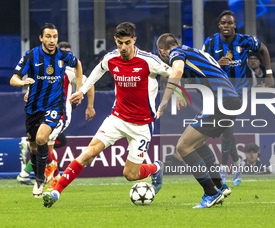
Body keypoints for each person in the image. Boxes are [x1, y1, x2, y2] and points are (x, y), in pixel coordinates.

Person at [42, 22, 171, 208]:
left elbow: (174, 72)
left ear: (134, 40)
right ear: (115, 41)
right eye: (120, 43)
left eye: (127, 43)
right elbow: (98, 70)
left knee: (130, 175)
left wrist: (177, 92)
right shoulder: (111, 58)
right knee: (88, 153)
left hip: (142, 125)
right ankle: (55, 192)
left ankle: (156, 168)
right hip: (117, 119)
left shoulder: (149, 61)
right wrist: (82, 91)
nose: (124, 48)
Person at [155, 33, 240, 209]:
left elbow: (177, 70)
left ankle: (211, 193)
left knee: (183, 147)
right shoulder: (194, 52)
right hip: (229, 101)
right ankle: (219, 186)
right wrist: (180, 90)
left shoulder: (175, 53)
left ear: (162, 51)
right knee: (196, 144)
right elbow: (199, 71)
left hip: (220, 102)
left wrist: (164, 102)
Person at [10, 23, 84, 198]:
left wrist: (79, 90)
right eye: (48, 37)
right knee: (34, 148)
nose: (52, 40)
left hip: (53, 107)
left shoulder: (63, 56)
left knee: (42, 138)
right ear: (41, 38)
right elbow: (14, 78)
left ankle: (39, 180)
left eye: (55, 37)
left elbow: (78, 65)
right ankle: (39, 174)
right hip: (33, 108)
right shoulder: (30, 56)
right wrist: (22, 83)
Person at [203, 10, 274, 186]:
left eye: (229, 23)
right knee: (226, 129)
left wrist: (270, 73)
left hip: (240, 90)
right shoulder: (211, 42)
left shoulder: (245, 40)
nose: (226, 26)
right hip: (220, 91)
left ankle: (223, 168)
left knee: (226, 127)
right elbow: (202, 62)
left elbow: (263, 49)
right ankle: (237, 164)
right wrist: (215, 63)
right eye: (223, 23)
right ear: (219, 25)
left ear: (235, 25)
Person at [16, 41, 96, 190]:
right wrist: (29, 91)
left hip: (58, 114)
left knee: (47, 144)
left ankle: (44, 176)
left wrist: (89, 104)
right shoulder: (47, 69)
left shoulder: (69, 71)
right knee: (46, 144)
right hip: (48, 113)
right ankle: (52, 179)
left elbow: (89, 83)